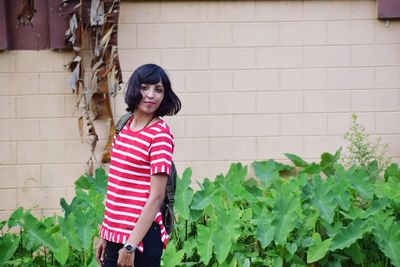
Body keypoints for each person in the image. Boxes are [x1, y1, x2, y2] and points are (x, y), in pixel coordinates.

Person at [95, 63, 181, 267]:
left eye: (158, 90)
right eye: (145, 87)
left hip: (139, 240)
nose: (151, 95)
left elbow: (156, 197)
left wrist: (131, 245)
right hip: (115, 236)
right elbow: (117, 186)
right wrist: (105, 234)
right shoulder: (124, 126)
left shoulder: (159, 135)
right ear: (135, 88)